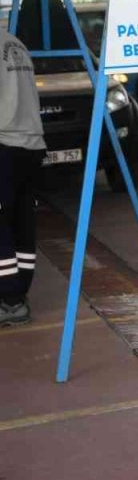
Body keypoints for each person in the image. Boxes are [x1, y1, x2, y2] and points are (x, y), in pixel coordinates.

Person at [0, 30, 46, 326]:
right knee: (22, 222)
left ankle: (9, 301)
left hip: (3, 142)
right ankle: (18, 295)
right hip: (31, 145)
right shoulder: (15, 43)